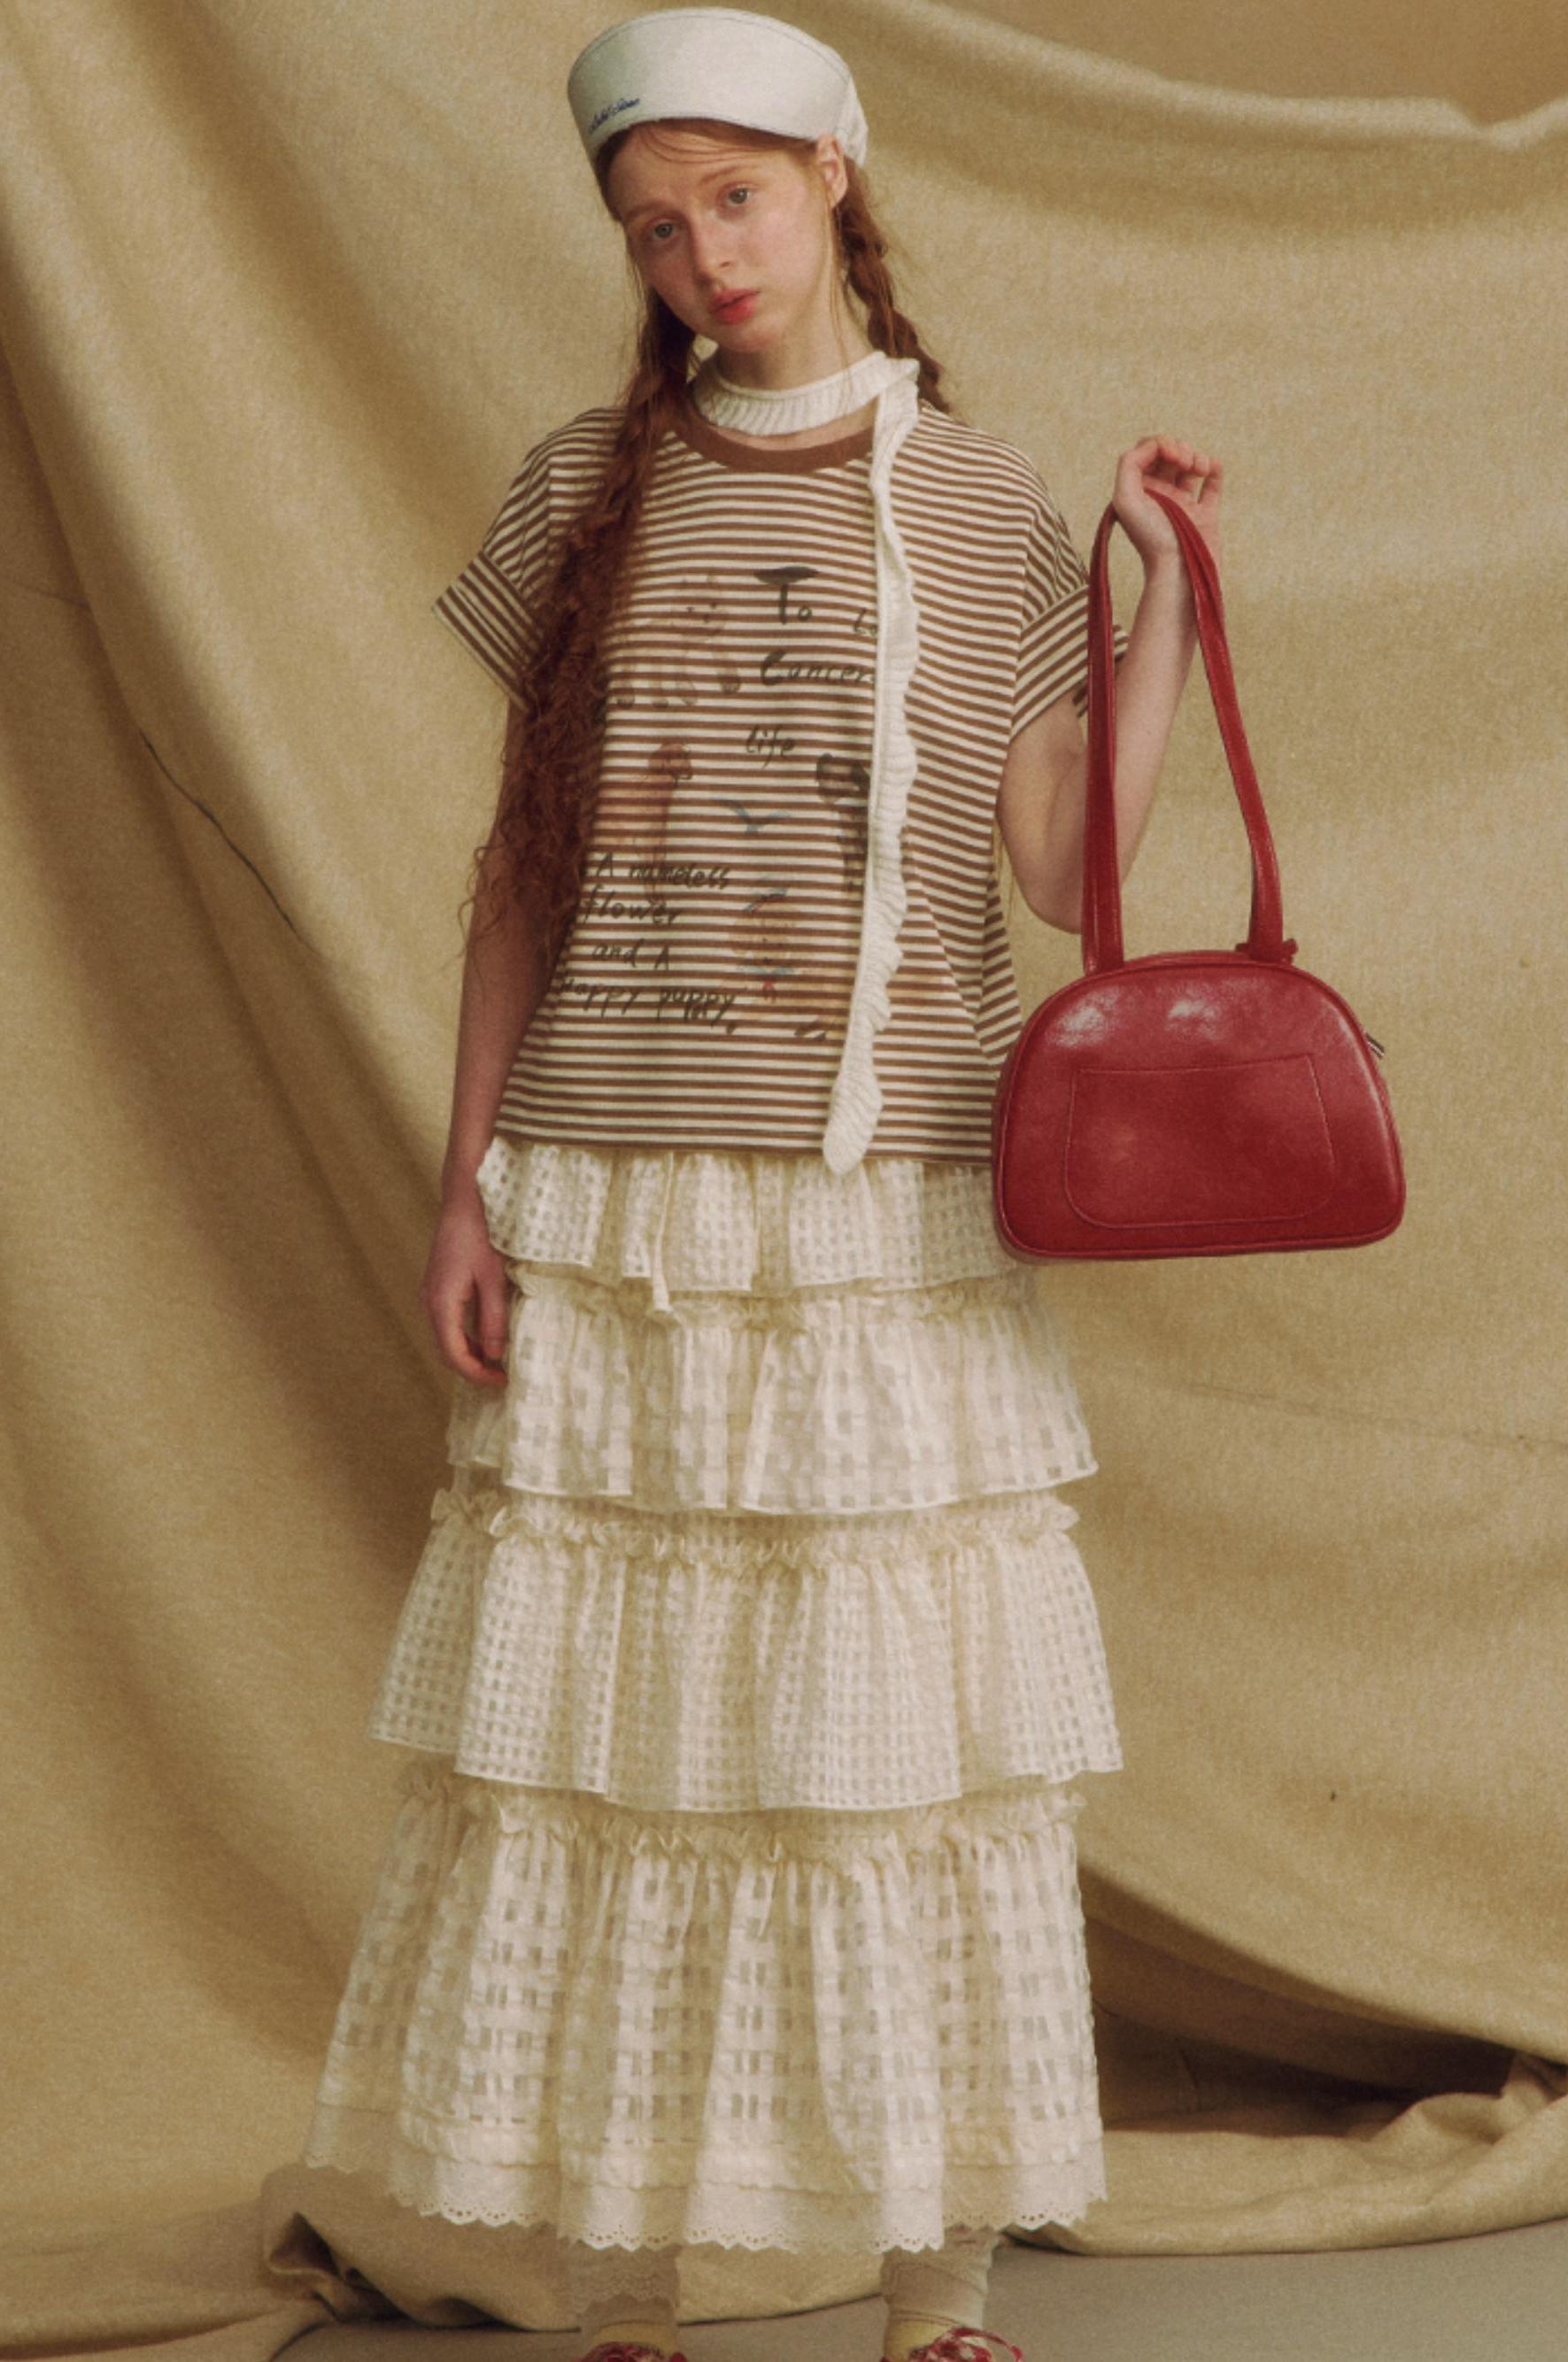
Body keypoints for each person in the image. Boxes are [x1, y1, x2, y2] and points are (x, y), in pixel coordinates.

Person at [298, 12, 1223, 2362]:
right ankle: (625, 2284)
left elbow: (1055, 863)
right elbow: (521, 869)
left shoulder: (980, 502)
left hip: (879, 1205)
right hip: (617, 1207)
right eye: (654, 225)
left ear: (833, 179)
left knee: (890, 1742)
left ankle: (936, 2290)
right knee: (629, 1742)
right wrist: (464, 1189)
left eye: (735, 197)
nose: (703, 252)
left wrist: (1157, 617)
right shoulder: (578, 494)